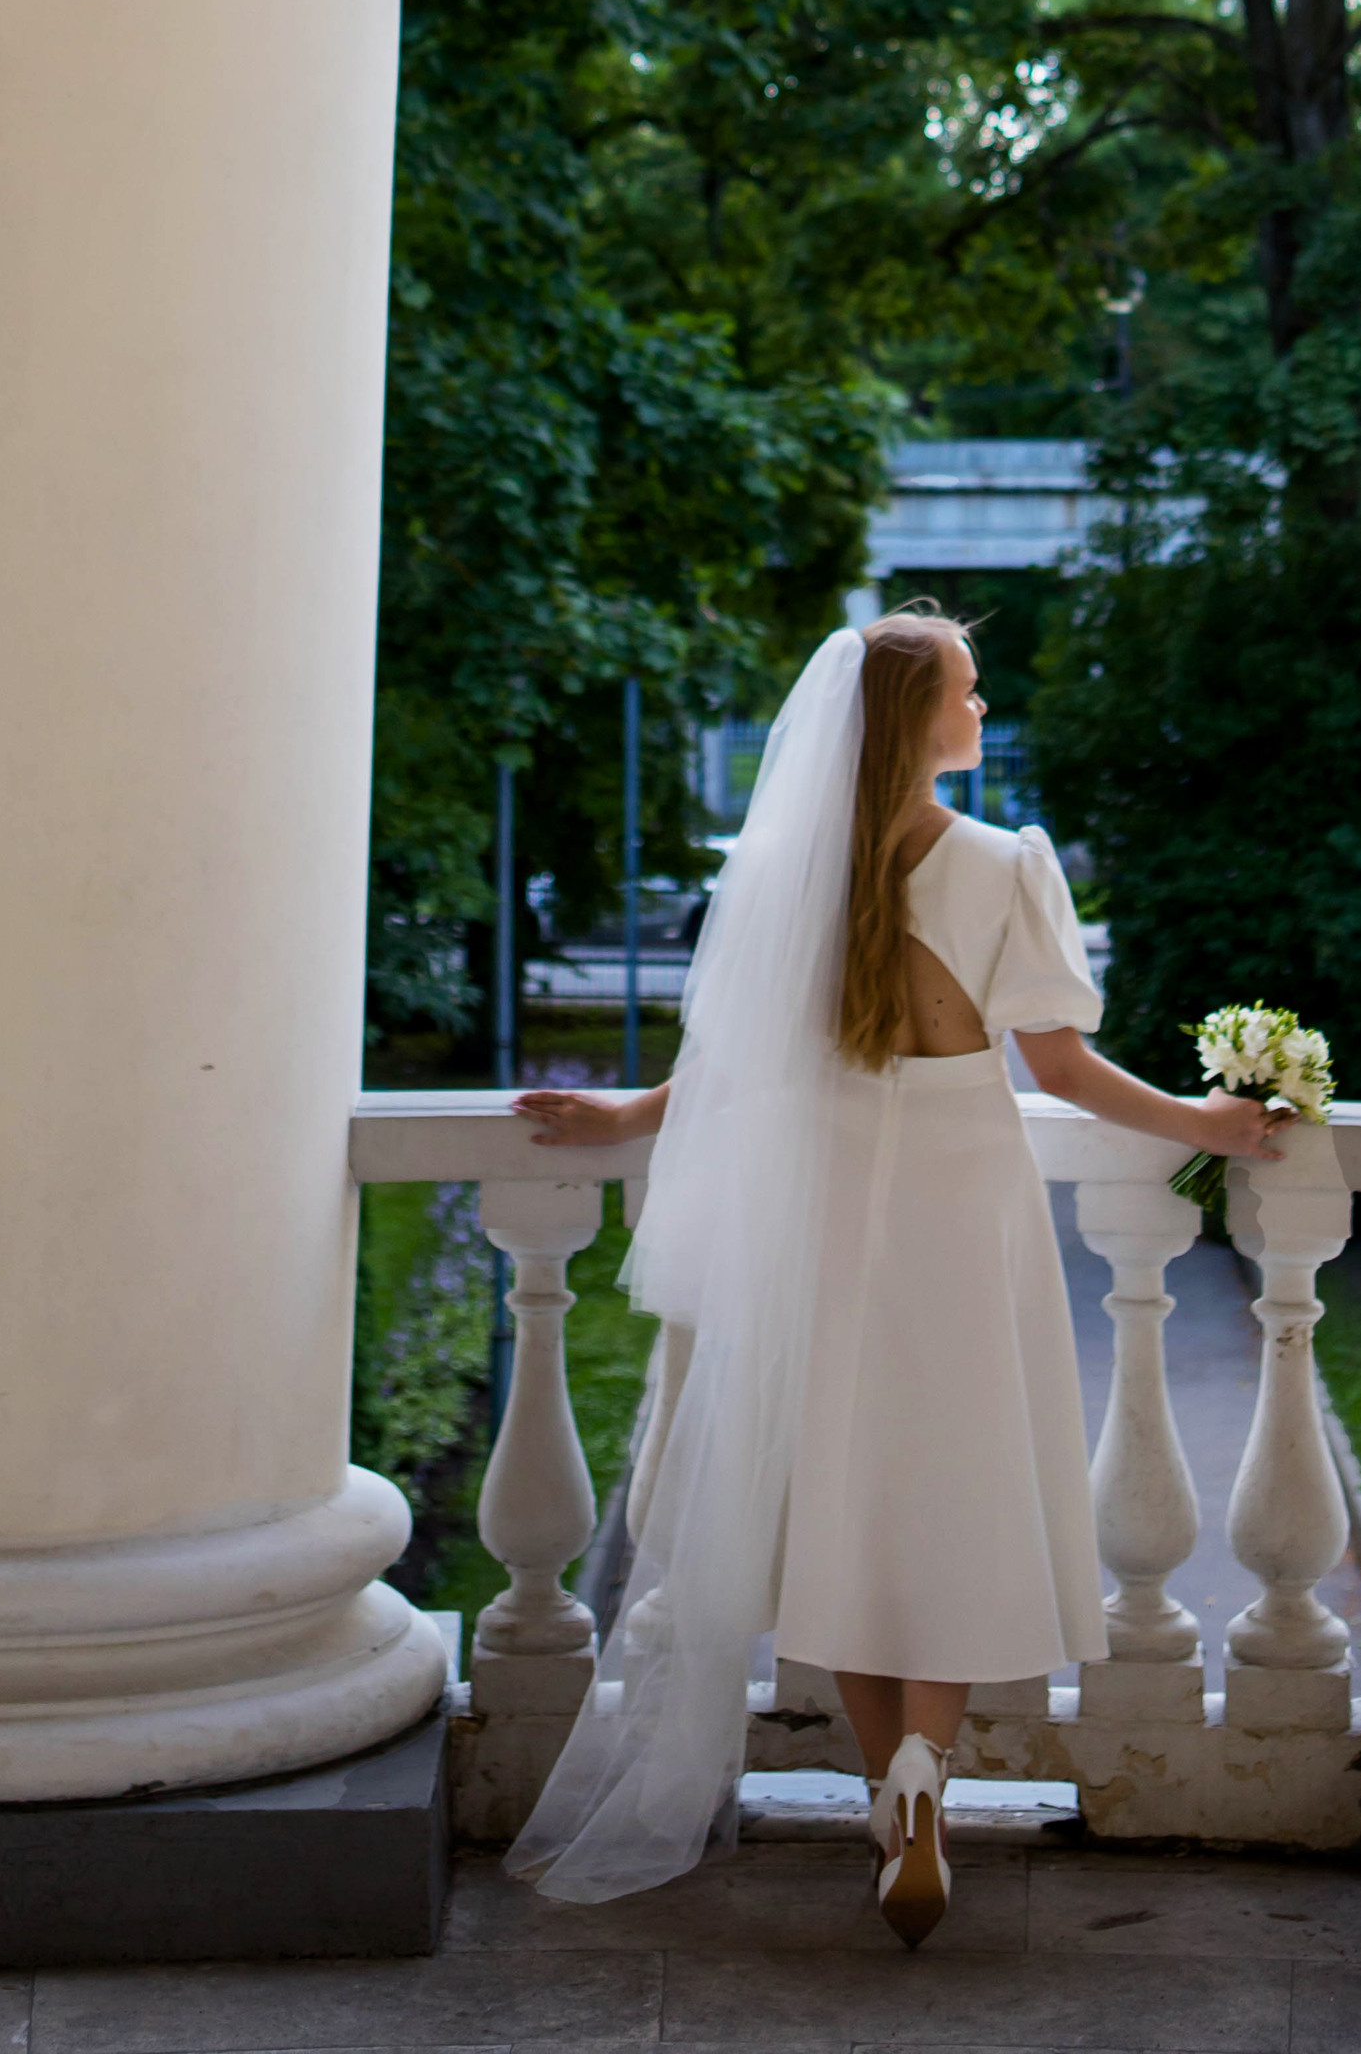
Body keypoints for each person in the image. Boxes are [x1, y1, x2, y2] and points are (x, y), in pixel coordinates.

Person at [505, 605, 1272, 1943]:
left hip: (829, 1213)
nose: (983, 710)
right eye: (967, 693)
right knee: (956, 1478)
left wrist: (626, 1118)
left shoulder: (801, 870)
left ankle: (884, 1784)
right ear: (912, 720)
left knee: (847, 1485)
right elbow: (1062, 1069)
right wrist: (1208, 1125)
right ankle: (925, 1770)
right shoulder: (1000, 864)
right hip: (959, 1207)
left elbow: (743, 1059)